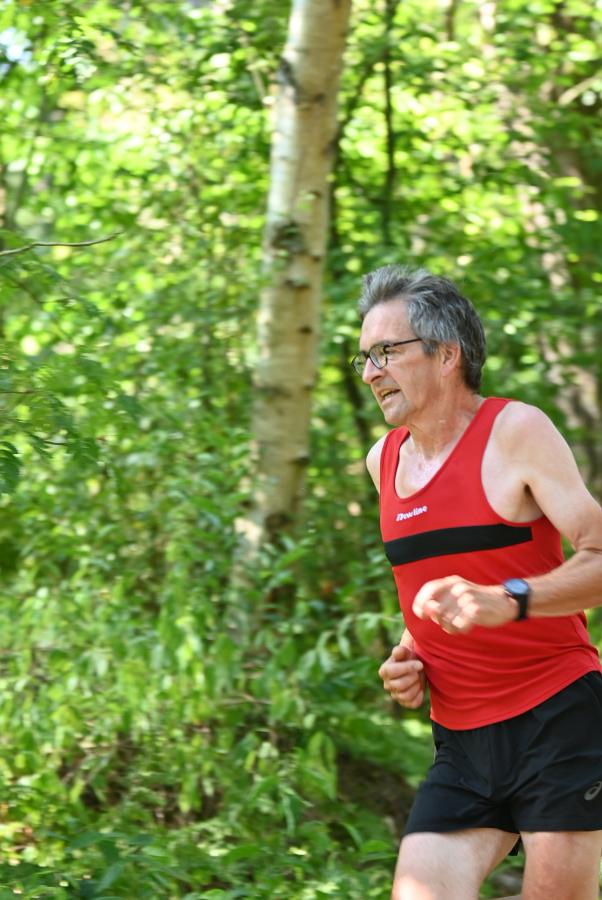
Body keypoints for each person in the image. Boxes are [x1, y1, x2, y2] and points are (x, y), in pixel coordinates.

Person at [352, 265, 602, 900]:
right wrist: (408, 653)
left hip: (558, 719)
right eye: (364, 357)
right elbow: (427, 591)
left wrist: (510, 600)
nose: (371, 372)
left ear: (446, 355)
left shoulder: (515, 432)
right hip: (461, 740)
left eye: (386, 351)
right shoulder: (383, 462)